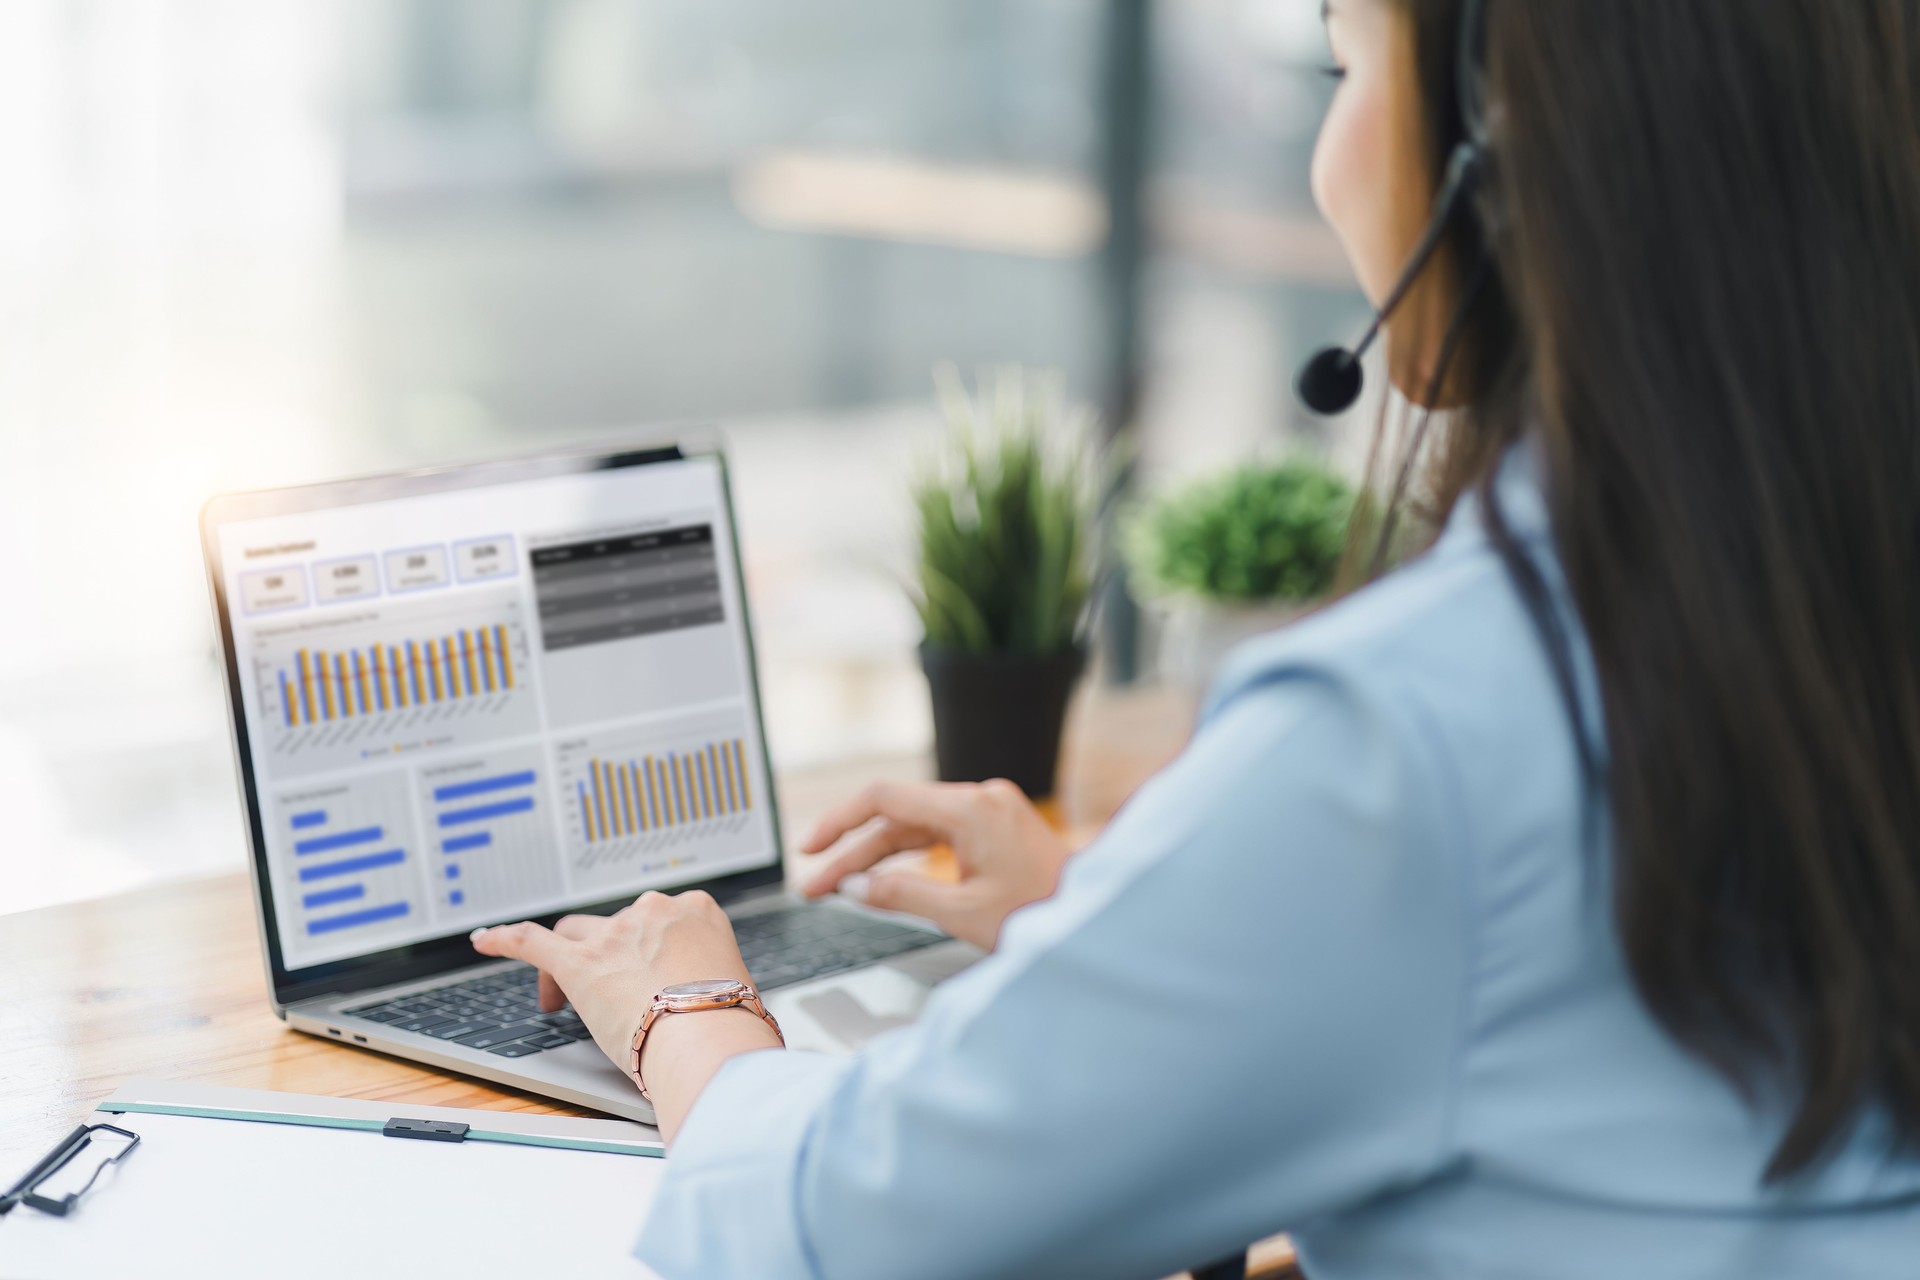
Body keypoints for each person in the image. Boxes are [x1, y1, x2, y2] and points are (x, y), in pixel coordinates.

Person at [471, 0, 1920, 1274]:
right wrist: (1140, 926)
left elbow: (838, 1232)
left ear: (1493, 132)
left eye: (1346, 65)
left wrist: (685, 1007)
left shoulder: (1415, 732)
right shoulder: (1810, 597)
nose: (1326, 154)